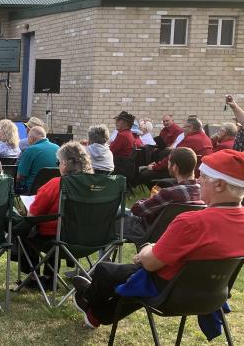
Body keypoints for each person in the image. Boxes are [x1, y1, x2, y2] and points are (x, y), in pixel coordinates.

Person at [72, 149, 244, 329]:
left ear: (219, 185)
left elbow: (150, 264)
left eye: (204, 177)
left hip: (168, 294)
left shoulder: (192, 221)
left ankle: (87, 299)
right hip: (211, 296)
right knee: (125, 275)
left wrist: (147, 248)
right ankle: (94, 311)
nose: (199, 180)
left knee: (108, 271)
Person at [19, 142, 93, 287]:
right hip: (88, 239)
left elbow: (32, 215)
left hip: (56, 239)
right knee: (57, 229)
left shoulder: (56, 183)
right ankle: (49, 276)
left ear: (65, 163)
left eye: (58, 162)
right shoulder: (94, 185)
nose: (58, 165)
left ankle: (33, 277)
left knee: (26, 230)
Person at [122, 147, 203, 245]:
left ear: (175, 167)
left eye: (169, 162)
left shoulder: (168, 194)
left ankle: (104, 257)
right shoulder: (202, 191)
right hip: (177, 235)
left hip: (148, 232)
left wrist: (149, 199)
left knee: (111, 213)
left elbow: (137, 210)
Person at [139, 116, 213, 185]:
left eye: (184, 127)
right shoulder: (205, 138)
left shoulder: (191, 139)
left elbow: (174, 156)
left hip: (188, 174)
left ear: (190, 127)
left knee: (146, 174)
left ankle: (159, 194)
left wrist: (155, 167)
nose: (183, 129)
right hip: (198, 171)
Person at [16, 126, 60, 193]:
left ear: (31, 138)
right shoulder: (58, 148)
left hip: (32, 190)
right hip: (53, 189)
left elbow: (19, 176)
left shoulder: (30, 150)